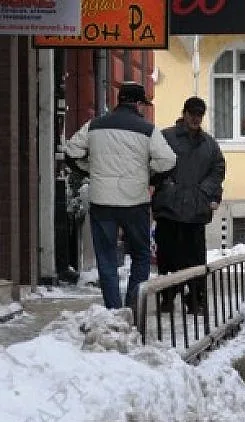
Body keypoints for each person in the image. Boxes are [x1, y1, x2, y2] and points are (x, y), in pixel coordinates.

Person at [64, 81, 176, 312]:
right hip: (134, 202)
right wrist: (150, 177)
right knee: (141, 255)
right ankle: (133, 307)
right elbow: (168, 161)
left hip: (102, 202)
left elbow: (71, 152)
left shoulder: (94, 125)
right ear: (137, 103)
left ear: (120, 100)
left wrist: (89, 169)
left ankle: (114, 311)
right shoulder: (147, 129)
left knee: (106, 258)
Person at [152, 96, 226, 314]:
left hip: (195, 211)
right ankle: (167, 296)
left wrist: (205, 191)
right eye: (192, 114)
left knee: (195, 259)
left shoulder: (209, 144)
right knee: (167, 258)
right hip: (169, 210)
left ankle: (195, 299)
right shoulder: (165, 137)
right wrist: (165, 184)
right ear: (183, 113)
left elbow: (218, 170)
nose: (195, 118)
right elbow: (153, 164)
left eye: (199, 115)